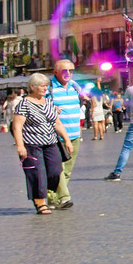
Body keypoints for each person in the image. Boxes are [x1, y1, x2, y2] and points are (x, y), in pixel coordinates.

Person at [13, 72, 74, 215]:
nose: (45, 88)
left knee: (55, 171)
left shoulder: (48, 102)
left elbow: (57, 123)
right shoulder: (24, 104)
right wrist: (20, 146)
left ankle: (45, 190)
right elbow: (17, 127)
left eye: (46, 86)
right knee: (37, 173)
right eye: (42, 86)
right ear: (32, 87)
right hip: (32, 144)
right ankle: (40, 202)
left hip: (51, 143)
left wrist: (66, 139)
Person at [47, 60, 84, 210]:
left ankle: (53, 198)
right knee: (57, 169)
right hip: (56, 136)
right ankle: (64, 197)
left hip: (75, 134)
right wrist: (50, 107)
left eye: (71, 70)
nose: (68, 73)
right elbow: (40, 104)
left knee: (67, 170)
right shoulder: (49, 88)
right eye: (64, 71)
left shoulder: (75, 86)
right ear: (55, 72)